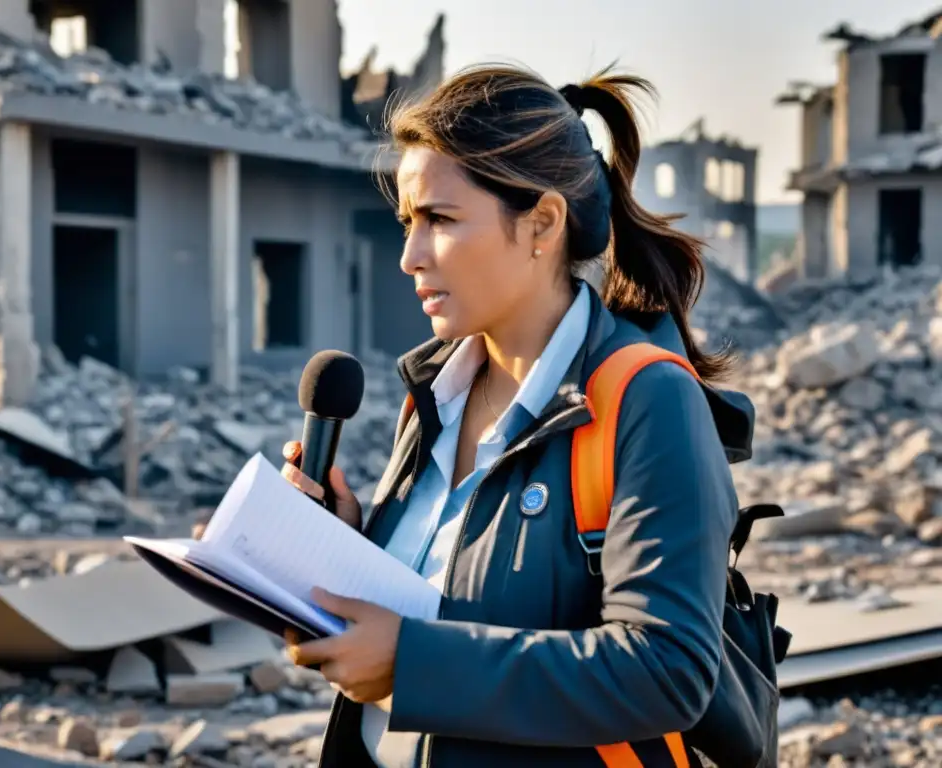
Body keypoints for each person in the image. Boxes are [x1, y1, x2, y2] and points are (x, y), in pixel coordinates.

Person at [278, 63, 755, 768]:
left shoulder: (648, 401)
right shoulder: (437, 392)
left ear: (541, 223)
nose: (410, 255)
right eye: (409, 221)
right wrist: (346, 551)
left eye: (439, 220)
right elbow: (452, 592)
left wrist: (413, 665)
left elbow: (667, 668)